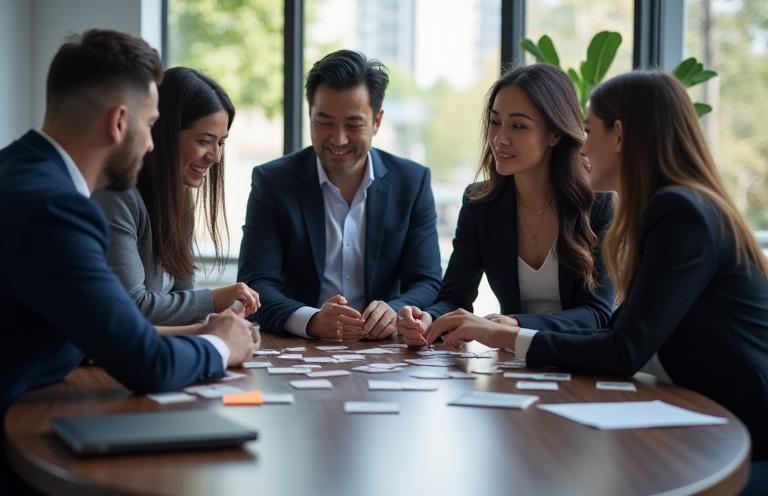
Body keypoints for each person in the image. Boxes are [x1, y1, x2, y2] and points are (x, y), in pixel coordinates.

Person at [425, 71, 768, 471]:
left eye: (589, 131)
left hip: (747, 436)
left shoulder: (679, 213)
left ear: (619, 136)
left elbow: (622, 349)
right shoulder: (670, 207)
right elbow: (621, 333)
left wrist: (506, 334)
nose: (583, 145)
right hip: (709, 421)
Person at [0, 30, 255, 496]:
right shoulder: (58, 209)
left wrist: (196, 330)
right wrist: (221, 344)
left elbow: (93, 332)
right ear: (120, 122)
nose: (152, 143)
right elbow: (147, 364)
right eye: (151, 124)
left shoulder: (17, 170)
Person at [398, 64, 614, 345]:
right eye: (495, 122)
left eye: (519, 126)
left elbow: (597, 314)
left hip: (579, 359)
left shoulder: (597, 203)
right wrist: (428, 318)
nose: (500, 139)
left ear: (555, 134)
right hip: (515, 360)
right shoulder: (480, 203)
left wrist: (515, 324)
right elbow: (454, 297)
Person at [238, 50, 442, 340]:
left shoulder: (412, 182)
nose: (338, 138)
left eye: (353, 124)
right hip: (300, 348)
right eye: (324, 122)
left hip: (384, 350)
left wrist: (395, 310)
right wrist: (311, 320)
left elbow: (427, 280)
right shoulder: (273, 182)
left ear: (377, 121)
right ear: (310, 116)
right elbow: (255, 285)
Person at [93, 67, 259, 326]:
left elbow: (183, 300)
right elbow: (132, 307)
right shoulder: (116, 197)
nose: (216, 157)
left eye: (221, 143)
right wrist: (214, 300)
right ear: (163, 135)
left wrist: (219, 319)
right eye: (204, 141)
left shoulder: (178, 199)